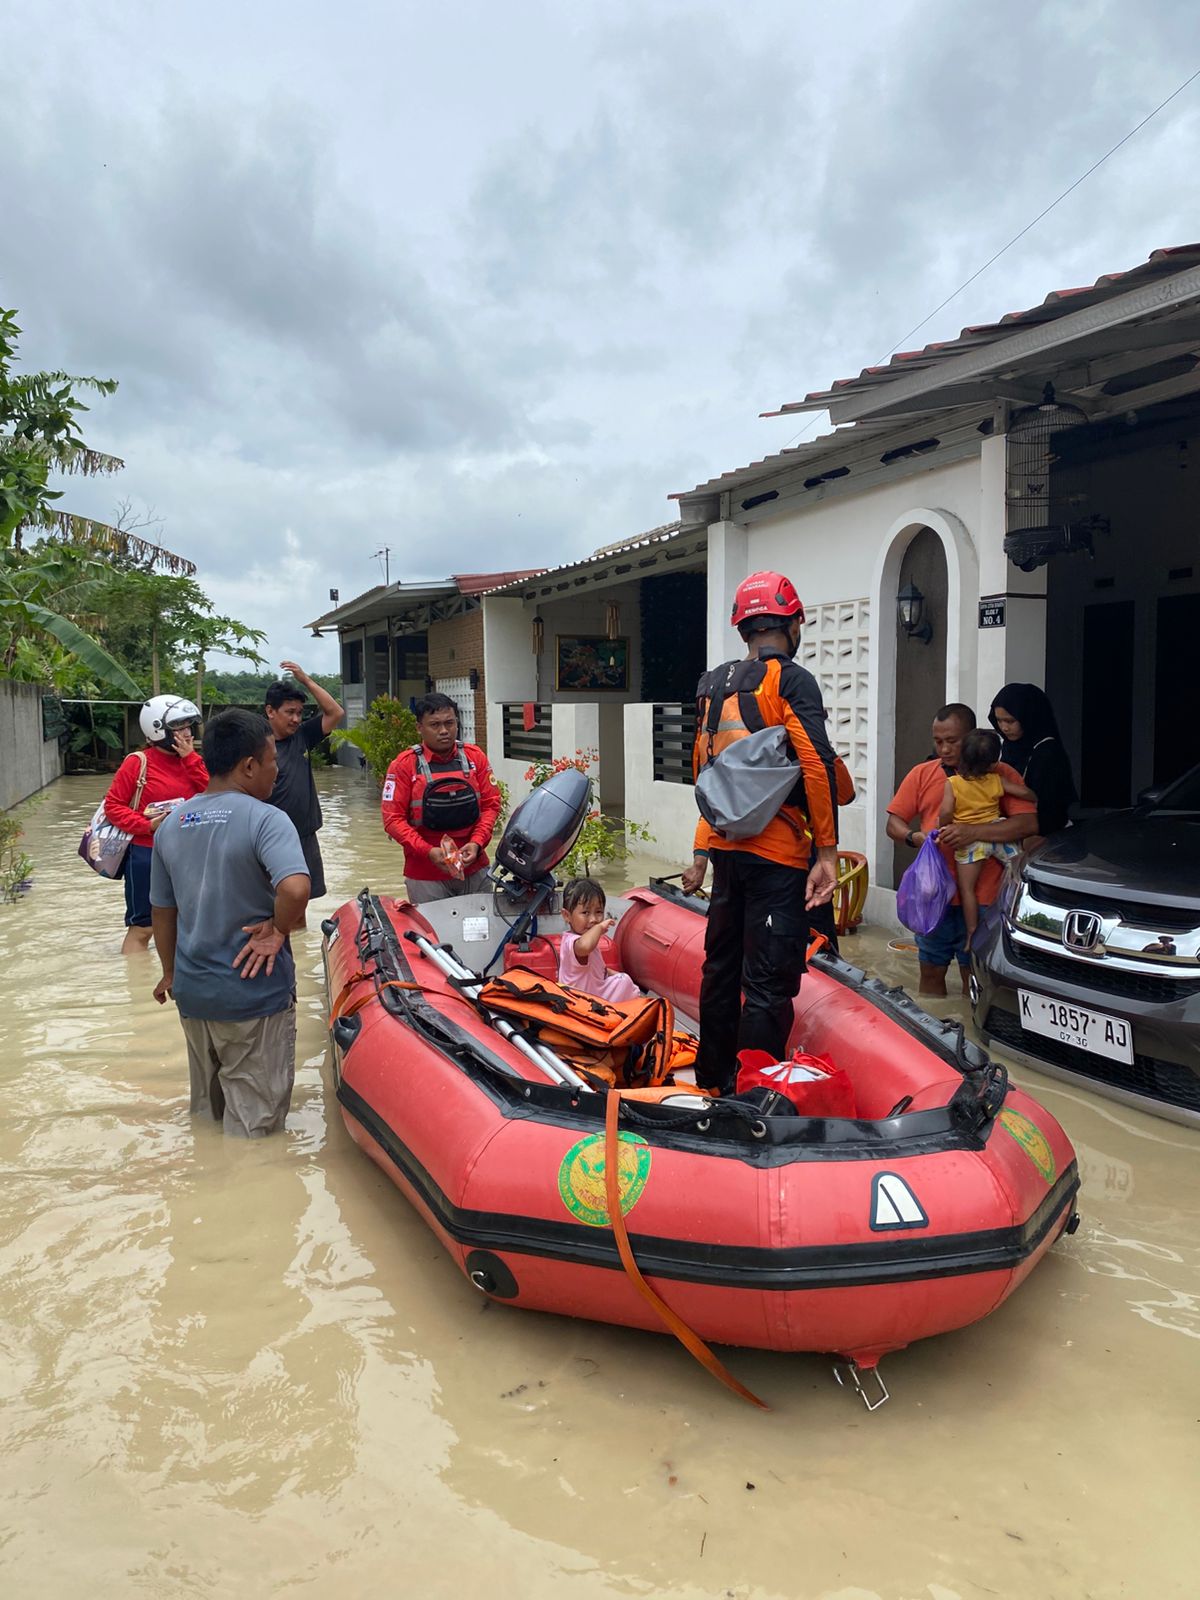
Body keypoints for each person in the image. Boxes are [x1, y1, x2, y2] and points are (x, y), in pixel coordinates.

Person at [679, 570, 839, 1096]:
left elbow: (709, 775)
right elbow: (815, 767)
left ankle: (713, 1080)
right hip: (778, 858)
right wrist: (829, 853)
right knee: (769, 984)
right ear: (795, 623)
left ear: (744, 628)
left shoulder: (713, 685)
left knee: (720, 969)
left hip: (726, 856)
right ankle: (757, 1098)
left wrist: (701, 851)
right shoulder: (793, 681)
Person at [150, 708, 311, 1139]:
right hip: (252, 996)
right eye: (273, 761)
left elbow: (162, 912)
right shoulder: (267, 818)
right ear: (249, 765)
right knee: (254, 1135)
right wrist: (277, 930)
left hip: (193, 994)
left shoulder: (171, 824)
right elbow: (296, 890)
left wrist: (170, 972)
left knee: (207, 1118)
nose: (276, 772)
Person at [887, 703, 1037, 996]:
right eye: (937, 741)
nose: (943, 749)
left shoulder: (1001, 773)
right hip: (935, 898)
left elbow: (1028, 825)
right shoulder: (923, 773)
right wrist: (913, 837)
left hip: (987, 898)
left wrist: (972, 832)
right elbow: (894, 822)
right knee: (930, 975)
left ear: (971, 736)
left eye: (952, 741)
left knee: (977, 982)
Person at [102, 694, 209, 955]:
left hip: (189, 854)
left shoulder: (194, 761)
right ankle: (136, 988)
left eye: (188, 727)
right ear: (158, 729)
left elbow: (214, 795)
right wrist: (148, 826)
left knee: (187, 922)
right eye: (179, 727)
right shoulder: (137, 762)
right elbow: (113, 806)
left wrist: (191, 759)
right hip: (147, 854)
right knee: (143, 928)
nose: (186, 733)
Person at [381, 693, 503, 903]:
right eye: (435, 725)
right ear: (419, 727)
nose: (444, 731)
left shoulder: (475, 757)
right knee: (432, 935)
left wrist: (477, 843)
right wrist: (428, 851)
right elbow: (392, 820)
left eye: (449, 723)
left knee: (483, 933)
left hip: (475, 868)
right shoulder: (403, 765)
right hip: (425, 875)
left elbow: (491, 805)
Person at [939, 728, 1035, 945]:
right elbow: (1026, 794)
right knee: (1018, 874)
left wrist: (944, 827)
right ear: (993, 763)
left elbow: (945, 812)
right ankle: (1020, 914)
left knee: (967, 889)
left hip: (971, 844)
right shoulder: (997, 779)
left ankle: (972, 931)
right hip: (998, 835)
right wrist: (1033, 794)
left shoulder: (953, 783)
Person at [263, 663, 344, 903]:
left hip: (304, 836)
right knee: (269, 902)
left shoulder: (302, 736)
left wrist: (306, 680)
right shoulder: (255, 743)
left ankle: (296, 942)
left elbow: (335, 712)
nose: (297, 719)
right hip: (269, 840)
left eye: (300, 712)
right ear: (270, 711)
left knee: (300, 904)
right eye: (290, 712)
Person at [988, 682, 1077, 845]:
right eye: (999, 720)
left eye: (1010, 721)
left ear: (1028, 717)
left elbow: (1050, 806)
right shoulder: (1007, 746)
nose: (1004, 727)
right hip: (1011, 830)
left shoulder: (1047, 753)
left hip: (1047, 836)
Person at [557, 877, 640, 1002]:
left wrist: (612, 974)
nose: (593, 919)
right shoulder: (573, 943)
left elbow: (600, 970)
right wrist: (599, 927)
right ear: (566, 915)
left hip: (591, 994)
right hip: (581, 1002)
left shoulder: (586, 939)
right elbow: (584, 947)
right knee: (624, 981)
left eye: (599, 912)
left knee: (623, 979)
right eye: (585, 913)